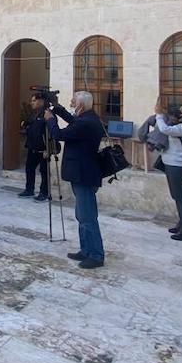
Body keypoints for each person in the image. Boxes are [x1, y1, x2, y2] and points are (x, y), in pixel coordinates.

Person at [45, 91, 106, 269]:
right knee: (82, 215)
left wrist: (50, 119)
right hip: (82, 172)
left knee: (87, 216)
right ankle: (86, 250)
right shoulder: (87, 118)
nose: (71, 105)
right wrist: (57, 108)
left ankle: (96, 255)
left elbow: (59, 135)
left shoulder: (86, 122)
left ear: (80, 105)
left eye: (73, 103)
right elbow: (73, 122)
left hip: (84, 174)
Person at [155, 103, 182, 242]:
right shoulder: (177, 126)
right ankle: (181, 224)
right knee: (176, 195)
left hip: (179, 165)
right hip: (171, 164)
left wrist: (159, 115)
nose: (179, 111)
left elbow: (165, 129)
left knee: (181, 197)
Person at [18, 92, 50, 202]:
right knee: (29, 168)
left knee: (44, 172)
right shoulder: (34, 113)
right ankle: (29, 189)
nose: (32, 103)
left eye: (34, 100)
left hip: (43, 148)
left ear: (41, 101)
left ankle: (44, 192)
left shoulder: (47, 114)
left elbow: (50, 132)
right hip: (33, 146)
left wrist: (48, 148)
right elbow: (32, 126)